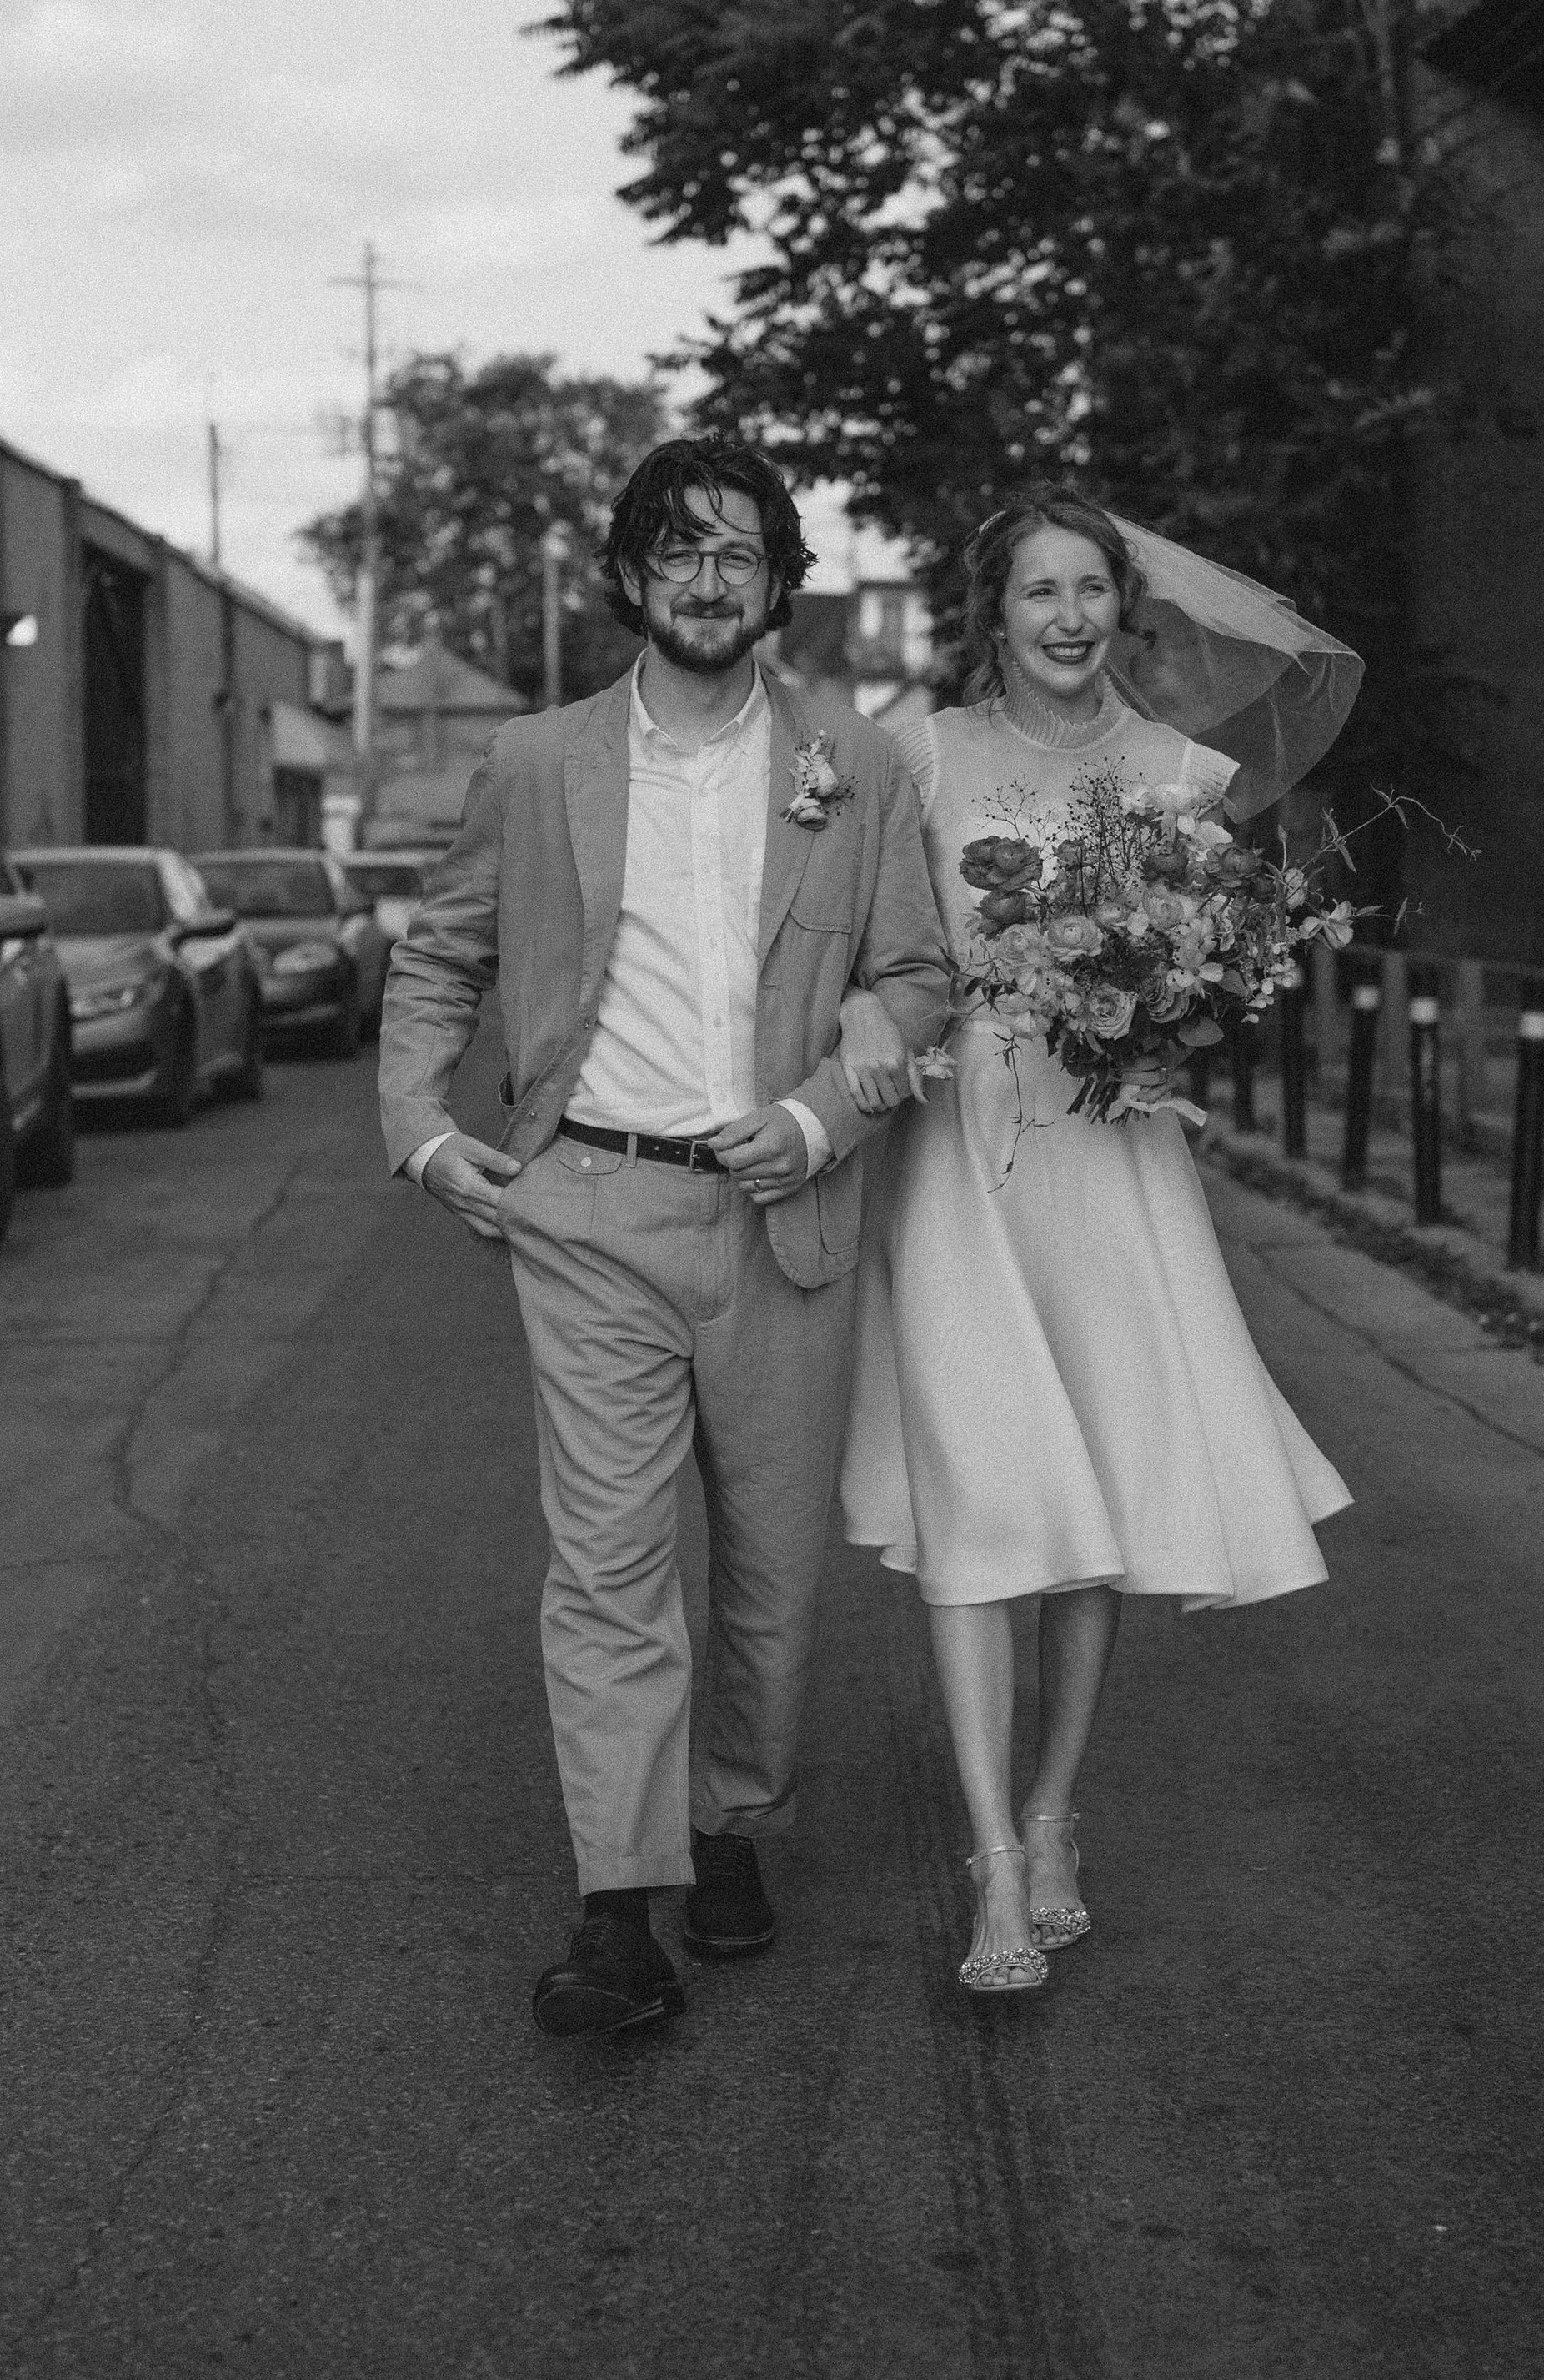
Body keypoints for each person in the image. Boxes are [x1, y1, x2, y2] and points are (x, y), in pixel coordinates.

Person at [379, 434, 948, 2038]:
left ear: (780, 583)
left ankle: (732, 1822)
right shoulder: (537, 760)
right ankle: (617, 1907)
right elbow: (441, 956)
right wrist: (424, 1128)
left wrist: (829, 1110)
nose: (711, 578)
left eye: (742, 552)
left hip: (786, 1211)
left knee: (767, 1573)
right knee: (611, 1564)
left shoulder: (859, 765)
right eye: (679, 551)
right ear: (630, 579)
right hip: (592, 1209)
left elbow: (916, 978)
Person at [835, 488, 1356, 1995]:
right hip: (961, 1154)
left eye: (1087, 592)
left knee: (1093, 1494)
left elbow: (1220, 977)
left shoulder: (1182, 776)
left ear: (1119, 609)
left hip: (1114, 1149)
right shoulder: (918, 756)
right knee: (985, 1482)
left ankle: (1057, 1808)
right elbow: (877, 936)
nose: (1064, 617)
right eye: (1034, 592)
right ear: (992, 613)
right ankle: (993, 1853)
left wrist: (1185, 996)